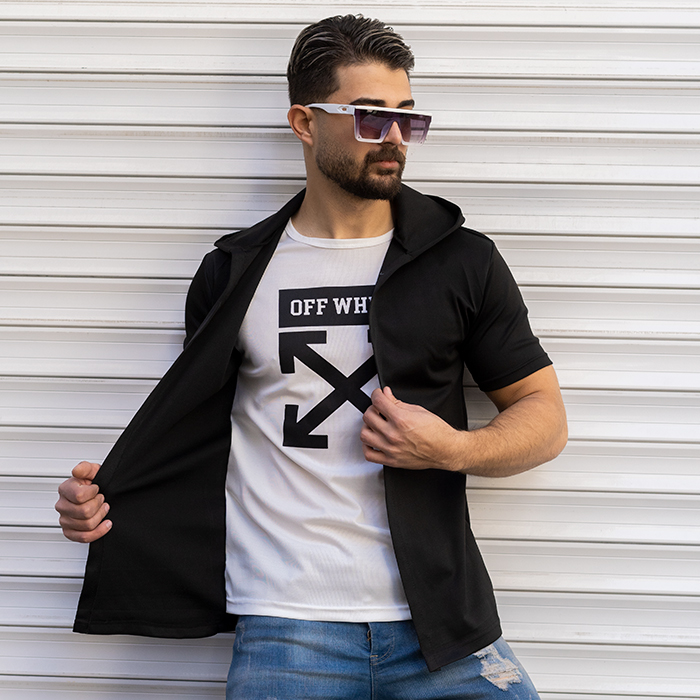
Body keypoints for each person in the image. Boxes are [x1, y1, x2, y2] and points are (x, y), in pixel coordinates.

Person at [55, 14, 567, 699]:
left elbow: (544, 415)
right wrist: (107, 502)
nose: (394, 138)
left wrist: (453, 448)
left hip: (443, 623)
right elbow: (190, 439)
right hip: (287, 629)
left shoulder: (461, 260)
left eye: (408, 118)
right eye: (370, 117)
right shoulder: (234, 273)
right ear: (304, 122)